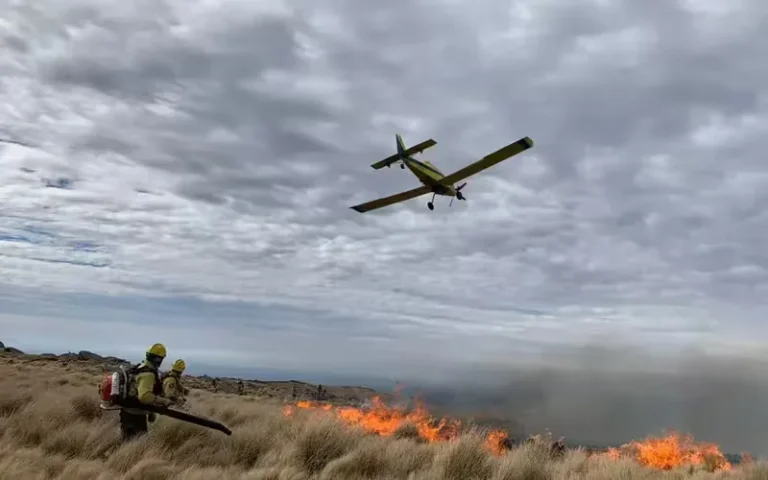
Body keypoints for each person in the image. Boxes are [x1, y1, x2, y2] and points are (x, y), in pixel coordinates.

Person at [119, 343, 173, 441]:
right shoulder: (148, 374)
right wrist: (163, 401)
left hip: (127, 411)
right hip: (135, 415)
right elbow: (144, 397)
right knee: (136, 446)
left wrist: (150, 411)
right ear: (158, 359)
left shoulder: (140, 367)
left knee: (127, 442)